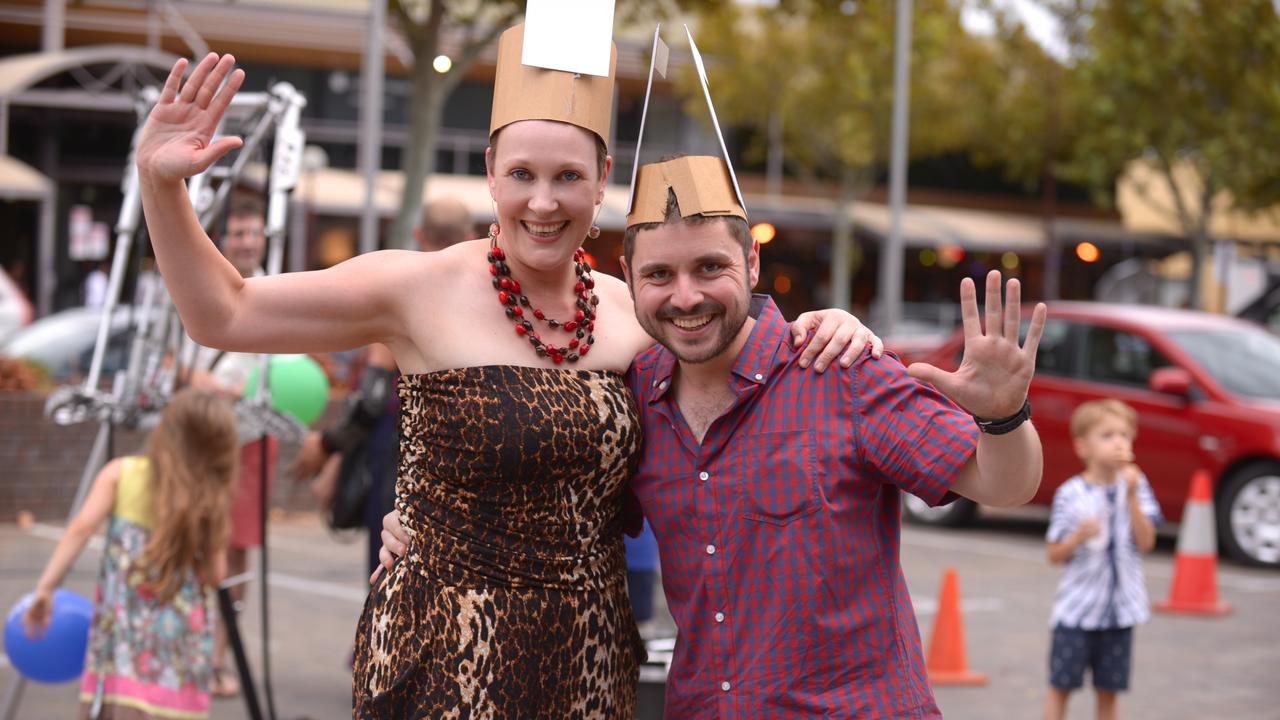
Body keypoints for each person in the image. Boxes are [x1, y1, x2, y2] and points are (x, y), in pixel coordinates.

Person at [134, 36, 874, 717]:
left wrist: (836, 327)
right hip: (443, 652)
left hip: (590, 659)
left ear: (603, 181)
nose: (543, 202)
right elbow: (224, 313)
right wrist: (161, 187)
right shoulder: (417, 288)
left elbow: (750, 381)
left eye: (567, 177)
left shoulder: (636, 315)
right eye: (521, 174)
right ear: (490, 173)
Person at [380, 153, 1050, 718]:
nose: (686, 296)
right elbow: (553, 513)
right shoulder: (634, 396)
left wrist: (1003, 416)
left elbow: (1005, 484)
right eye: (659, 276)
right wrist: (428, 529)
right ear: (632, 285)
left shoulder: (840, 370)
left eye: (709, 268)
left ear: (752, 266)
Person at [23, 388, 240, 720]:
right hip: (179, 649)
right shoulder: (211, 497)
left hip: (125, 643)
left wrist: (46, 587)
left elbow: (80, 529)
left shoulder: (121, 473)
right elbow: (215, 574)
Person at [289, 197, 475, 579]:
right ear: (471, 237)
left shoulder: (406, 298)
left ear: (419, 235)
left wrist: (327, 448)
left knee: (390, 580)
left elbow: (372, 402)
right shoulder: (485, 299)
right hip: (470, 466)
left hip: (401, 462)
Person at [176, 192, 278, 698]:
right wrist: (213, 387)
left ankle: (218, 658)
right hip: (204, 441)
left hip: (255, 442)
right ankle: (185, 654)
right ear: (224, 238)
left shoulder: (282, 287)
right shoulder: (197, 281)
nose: (246, 241)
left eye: (253, 232)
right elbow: (175, 365)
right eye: (237, 232)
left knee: (237, 554)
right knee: (194, 545)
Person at [1044, 399, 1161, 720]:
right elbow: (1053, 554)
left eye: (1125, 434)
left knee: (1109, 692)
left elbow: (1147, 542)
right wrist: (1077, 538)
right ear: (1083, 447)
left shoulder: (1138, 485)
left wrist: (1133, 495)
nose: (1119, 442)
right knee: (1061, 686)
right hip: (1077, 612)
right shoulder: (1070, 493)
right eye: (1107, 435)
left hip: (1121, 613)